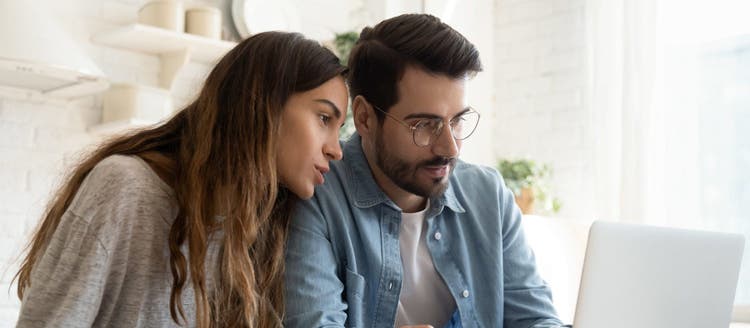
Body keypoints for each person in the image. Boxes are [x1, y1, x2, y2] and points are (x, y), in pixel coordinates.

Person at [14, 31, 348, 328]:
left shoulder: (258, 229)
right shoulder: (124, 188)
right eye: (323, 118)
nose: (336, 149)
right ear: (264, 106)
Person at [284, 14, 565, 328]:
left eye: (457, 120)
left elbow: (537, 319)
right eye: (424, 125)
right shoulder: (317, 196)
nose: (450, 148)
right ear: (364, 118)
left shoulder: (488, 195)